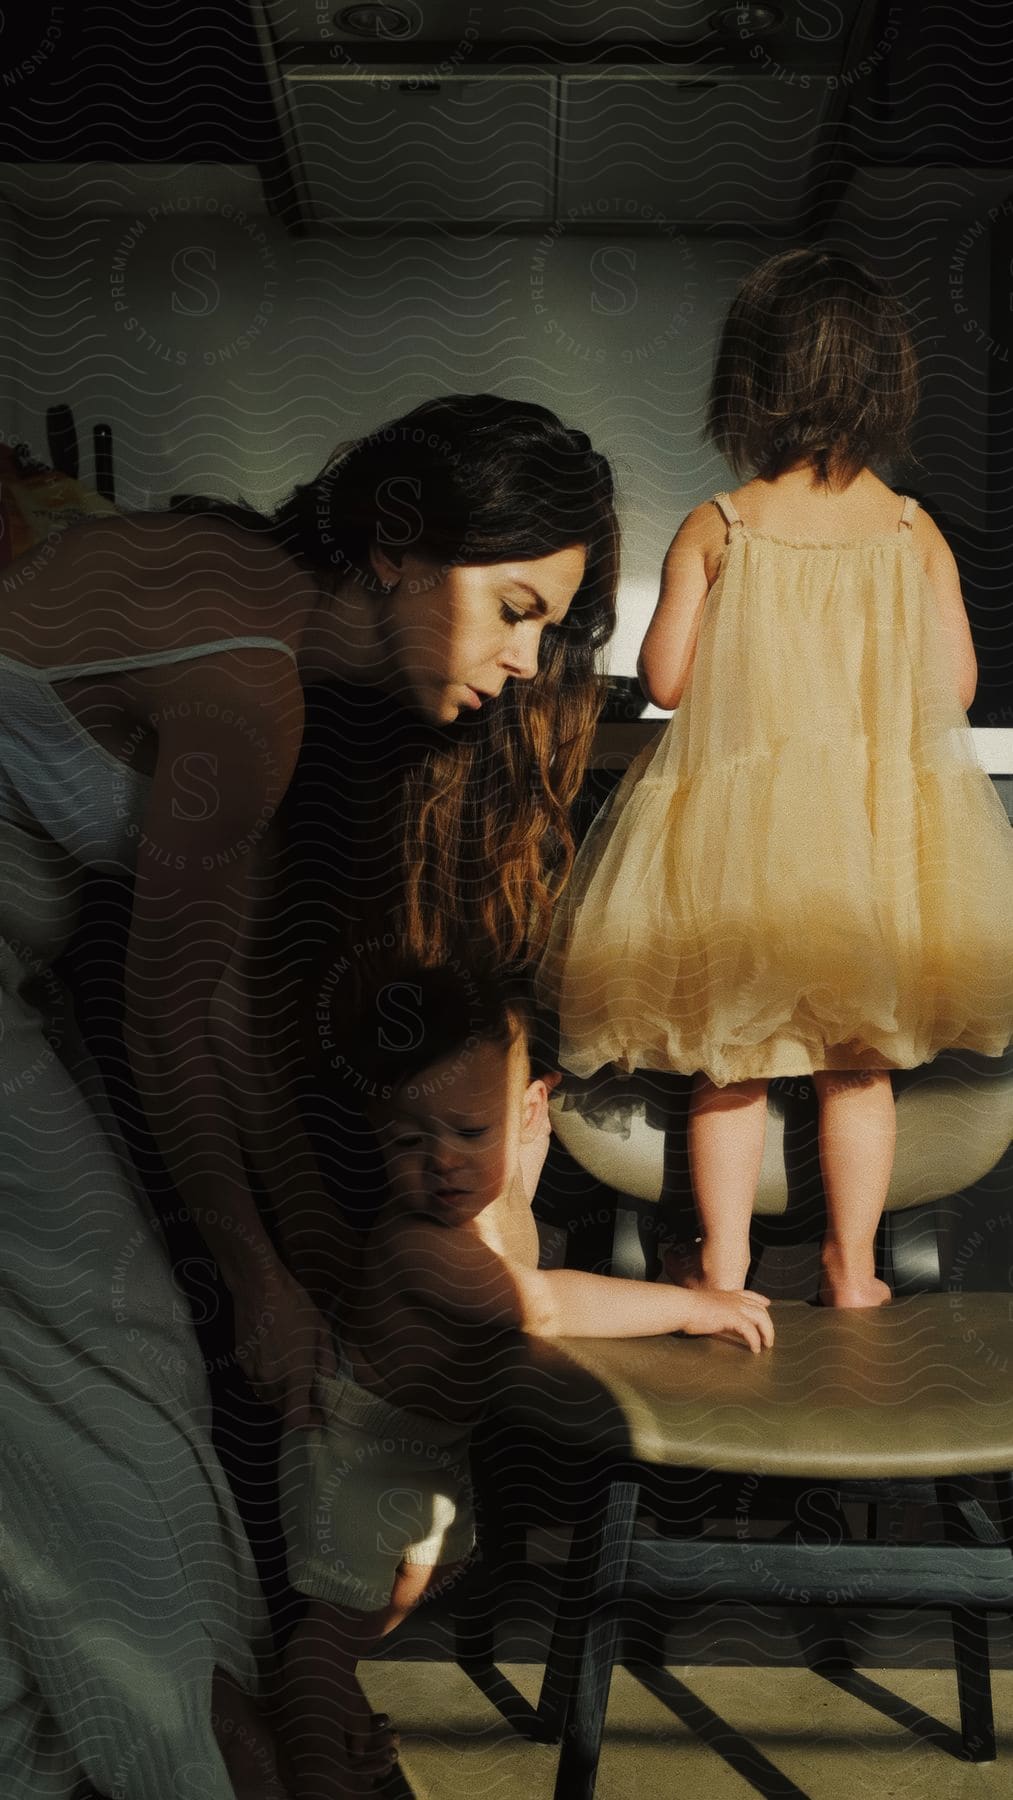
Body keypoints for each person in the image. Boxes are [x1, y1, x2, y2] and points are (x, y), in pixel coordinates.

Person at [0, 393, 618, 1798]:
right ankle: (226, 1766)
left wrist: (309, 1262)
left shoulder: (241, 604)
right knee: (138, 1363)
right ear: (397, 545)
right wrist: (262, 1283)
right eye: (517, 608)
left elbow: (218, 1020)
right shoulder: (249, 684)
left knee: (50, 1406)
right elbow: (167, 1032)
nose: (529, 664)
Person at [539, 248, 1013, 1311]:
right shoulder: (908, 526)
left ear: (745, 385)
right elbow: (958, 681)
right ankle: (850, 1267)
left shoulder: (722, 522)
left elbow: (661, 680)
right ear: (885, 384)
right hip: (872, 848)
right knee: (861, 1066)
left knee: (726, 1063)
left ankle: (719, 1265)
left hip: (737, 851)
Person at [270, 957, 774, 1799]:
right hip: (359, 1455)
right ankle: (306, 1727)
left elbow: (516, 1199)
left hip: (427, 1452)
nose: (441, 1165)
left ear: (527, 1111)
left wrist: (529, 1139)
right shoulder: (419, 1242)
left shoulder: (495, 1184)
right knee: (333, 1628)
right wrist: (693, 1308)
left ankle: (314, 1690)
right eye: (406, 1141)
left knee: (399, 1588)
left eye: (469, 1133)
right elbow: (537, 1303)